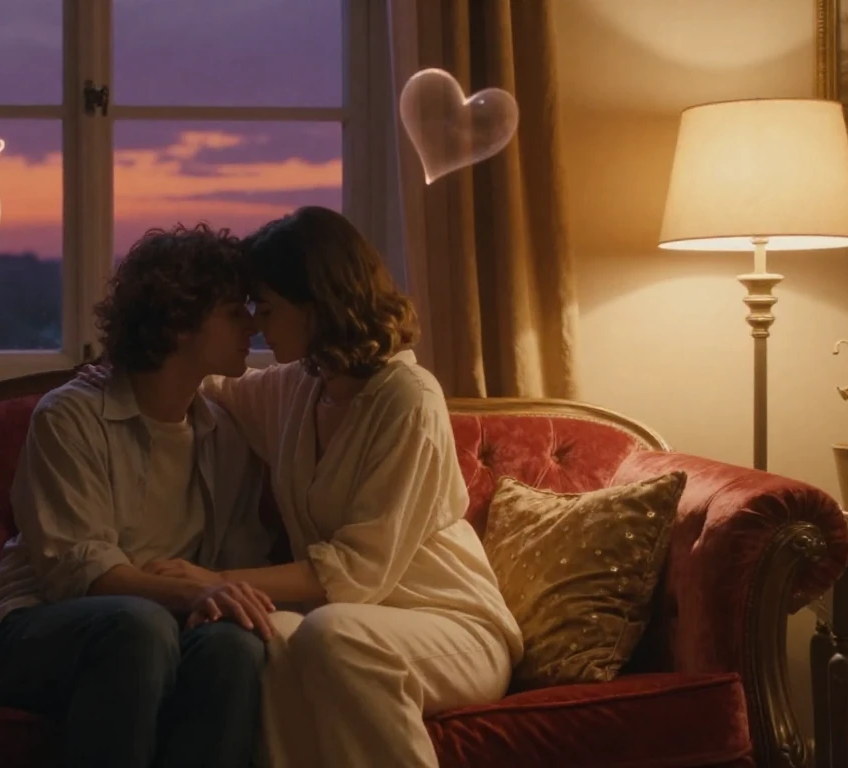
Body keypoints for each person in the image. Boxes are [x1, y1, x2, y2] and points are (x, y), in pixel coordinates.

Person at [84, 206, 523, 768]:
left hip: (449, 624)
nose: (256, 325)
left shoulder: (407, 399)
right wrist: (115, 372)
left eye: (267, 308)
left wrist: (213, 581)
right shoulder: (298, 388)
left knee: (333, 634)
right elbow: (197, 379)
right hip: (343, 624)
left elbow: (357, 572)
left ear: (317, 304)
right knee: (265, 637)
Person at [0, 223, 279, 768]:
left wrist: (219, 597)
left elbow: (237, 565)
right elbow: (79, 572)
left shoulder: (225, 433)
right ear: (179, 322)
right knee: (137, 626)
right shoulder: (71, 416)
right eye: (233, 311)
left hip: (165, 627)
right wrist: (195, 591)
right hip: (32, 627)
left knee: (235, 644)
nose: (252, 324)